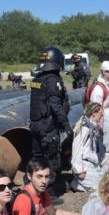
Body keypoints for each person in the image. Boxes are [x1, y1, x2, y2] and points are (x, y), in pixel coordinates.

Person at [28, 46, 72, 197]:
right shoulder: (53, 80)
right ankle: (49, 196)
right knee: (51, 161)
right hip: (48, 128)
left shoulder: (37, 80)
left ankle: (34, 192)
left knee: (36, 160)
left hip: (35, 125)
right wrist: (66, 125)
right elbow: (55, 105)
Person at [70, 102, 105, 192]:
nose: (102, 115)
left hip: (92, 163)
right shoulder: (84, 129)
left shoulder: (92, 127)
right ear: (94, 113)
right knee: (100, 188)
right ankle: (76, 184)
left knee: (105, 181)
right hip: (84, 167)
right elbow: (76, 149)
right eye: (100, 113)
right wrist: (79, 170)